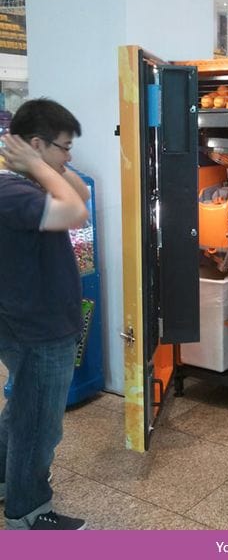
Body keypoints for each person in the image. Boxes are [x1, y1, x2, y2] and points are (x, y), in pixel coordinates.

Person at [0, 98, 89, 530]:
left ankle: (7, 481)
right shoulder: (14, 191)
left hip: (37, 322)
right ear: (36, 145)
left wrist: (41, 163)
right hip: (37, 329)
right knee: (38, 428)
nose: (69, 157)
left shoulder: (28, 182)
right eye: (64, 147)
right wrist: (38, 166)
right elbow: (77, 211)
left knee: (23, 412)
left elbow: (81, 192)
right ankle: (27, 512)